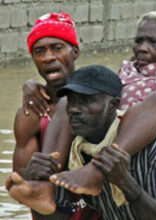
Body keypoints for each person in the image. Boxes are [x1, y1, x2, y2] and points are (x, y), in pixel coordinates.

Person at [20, 10, 156, 217]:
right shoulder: (127, 70)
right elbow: (92, 89)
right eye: (139, 41)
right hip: (126, 158)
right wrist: (32, 86)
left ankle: (96, 171)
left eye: (153, 42)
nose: (143, 48)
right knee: (69, 101)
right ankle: (46, 186)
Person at [6, 65, 156, 219]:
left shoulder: (150, 143)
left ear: (113, 105)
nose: (75, 109)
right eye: (73, 101)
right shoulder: (75, 148)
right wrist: (38, 185)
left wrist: (127, 185)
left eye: (87, 101)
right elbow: (59, 217)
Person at [10, 12, 100, 219]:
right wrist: (31, 174)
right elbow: (19, 190)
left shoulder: (99, 99)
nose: (48, 57)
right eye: (39, 51)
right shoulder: (31, 113)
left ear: (75, 52)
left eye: (57, 48)